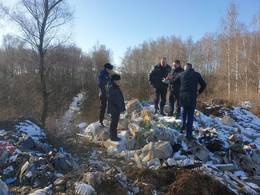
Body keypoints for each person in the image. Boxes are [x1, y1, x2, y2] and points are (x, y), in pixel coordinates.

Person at [174, 63, 206, 139]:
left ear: (186, 68)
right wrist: (199, 92)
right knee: (190, 116)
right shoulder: (197, 74)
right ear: (191, 68)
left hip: (183, 98)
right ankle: (189, 134)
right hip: (192, 97)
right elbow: (204, 84)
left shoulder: (181, 74)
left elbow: (173, 82)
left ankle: (182, 129)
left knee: (183, 114)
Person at [107, 74, 126, 141]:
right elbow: (113, 99)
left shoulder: (115, 87)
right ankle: (113, 137)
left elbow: (119, 98)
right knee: (114, 123)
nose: (119, 81)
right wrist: (118, 108)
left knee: (115, 122)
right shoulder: (112, 87)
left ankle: (114, 135)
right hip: (114, 108)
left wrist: (122, 108)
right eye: (118, 80)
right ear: (114, 80)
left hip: (116, 108)